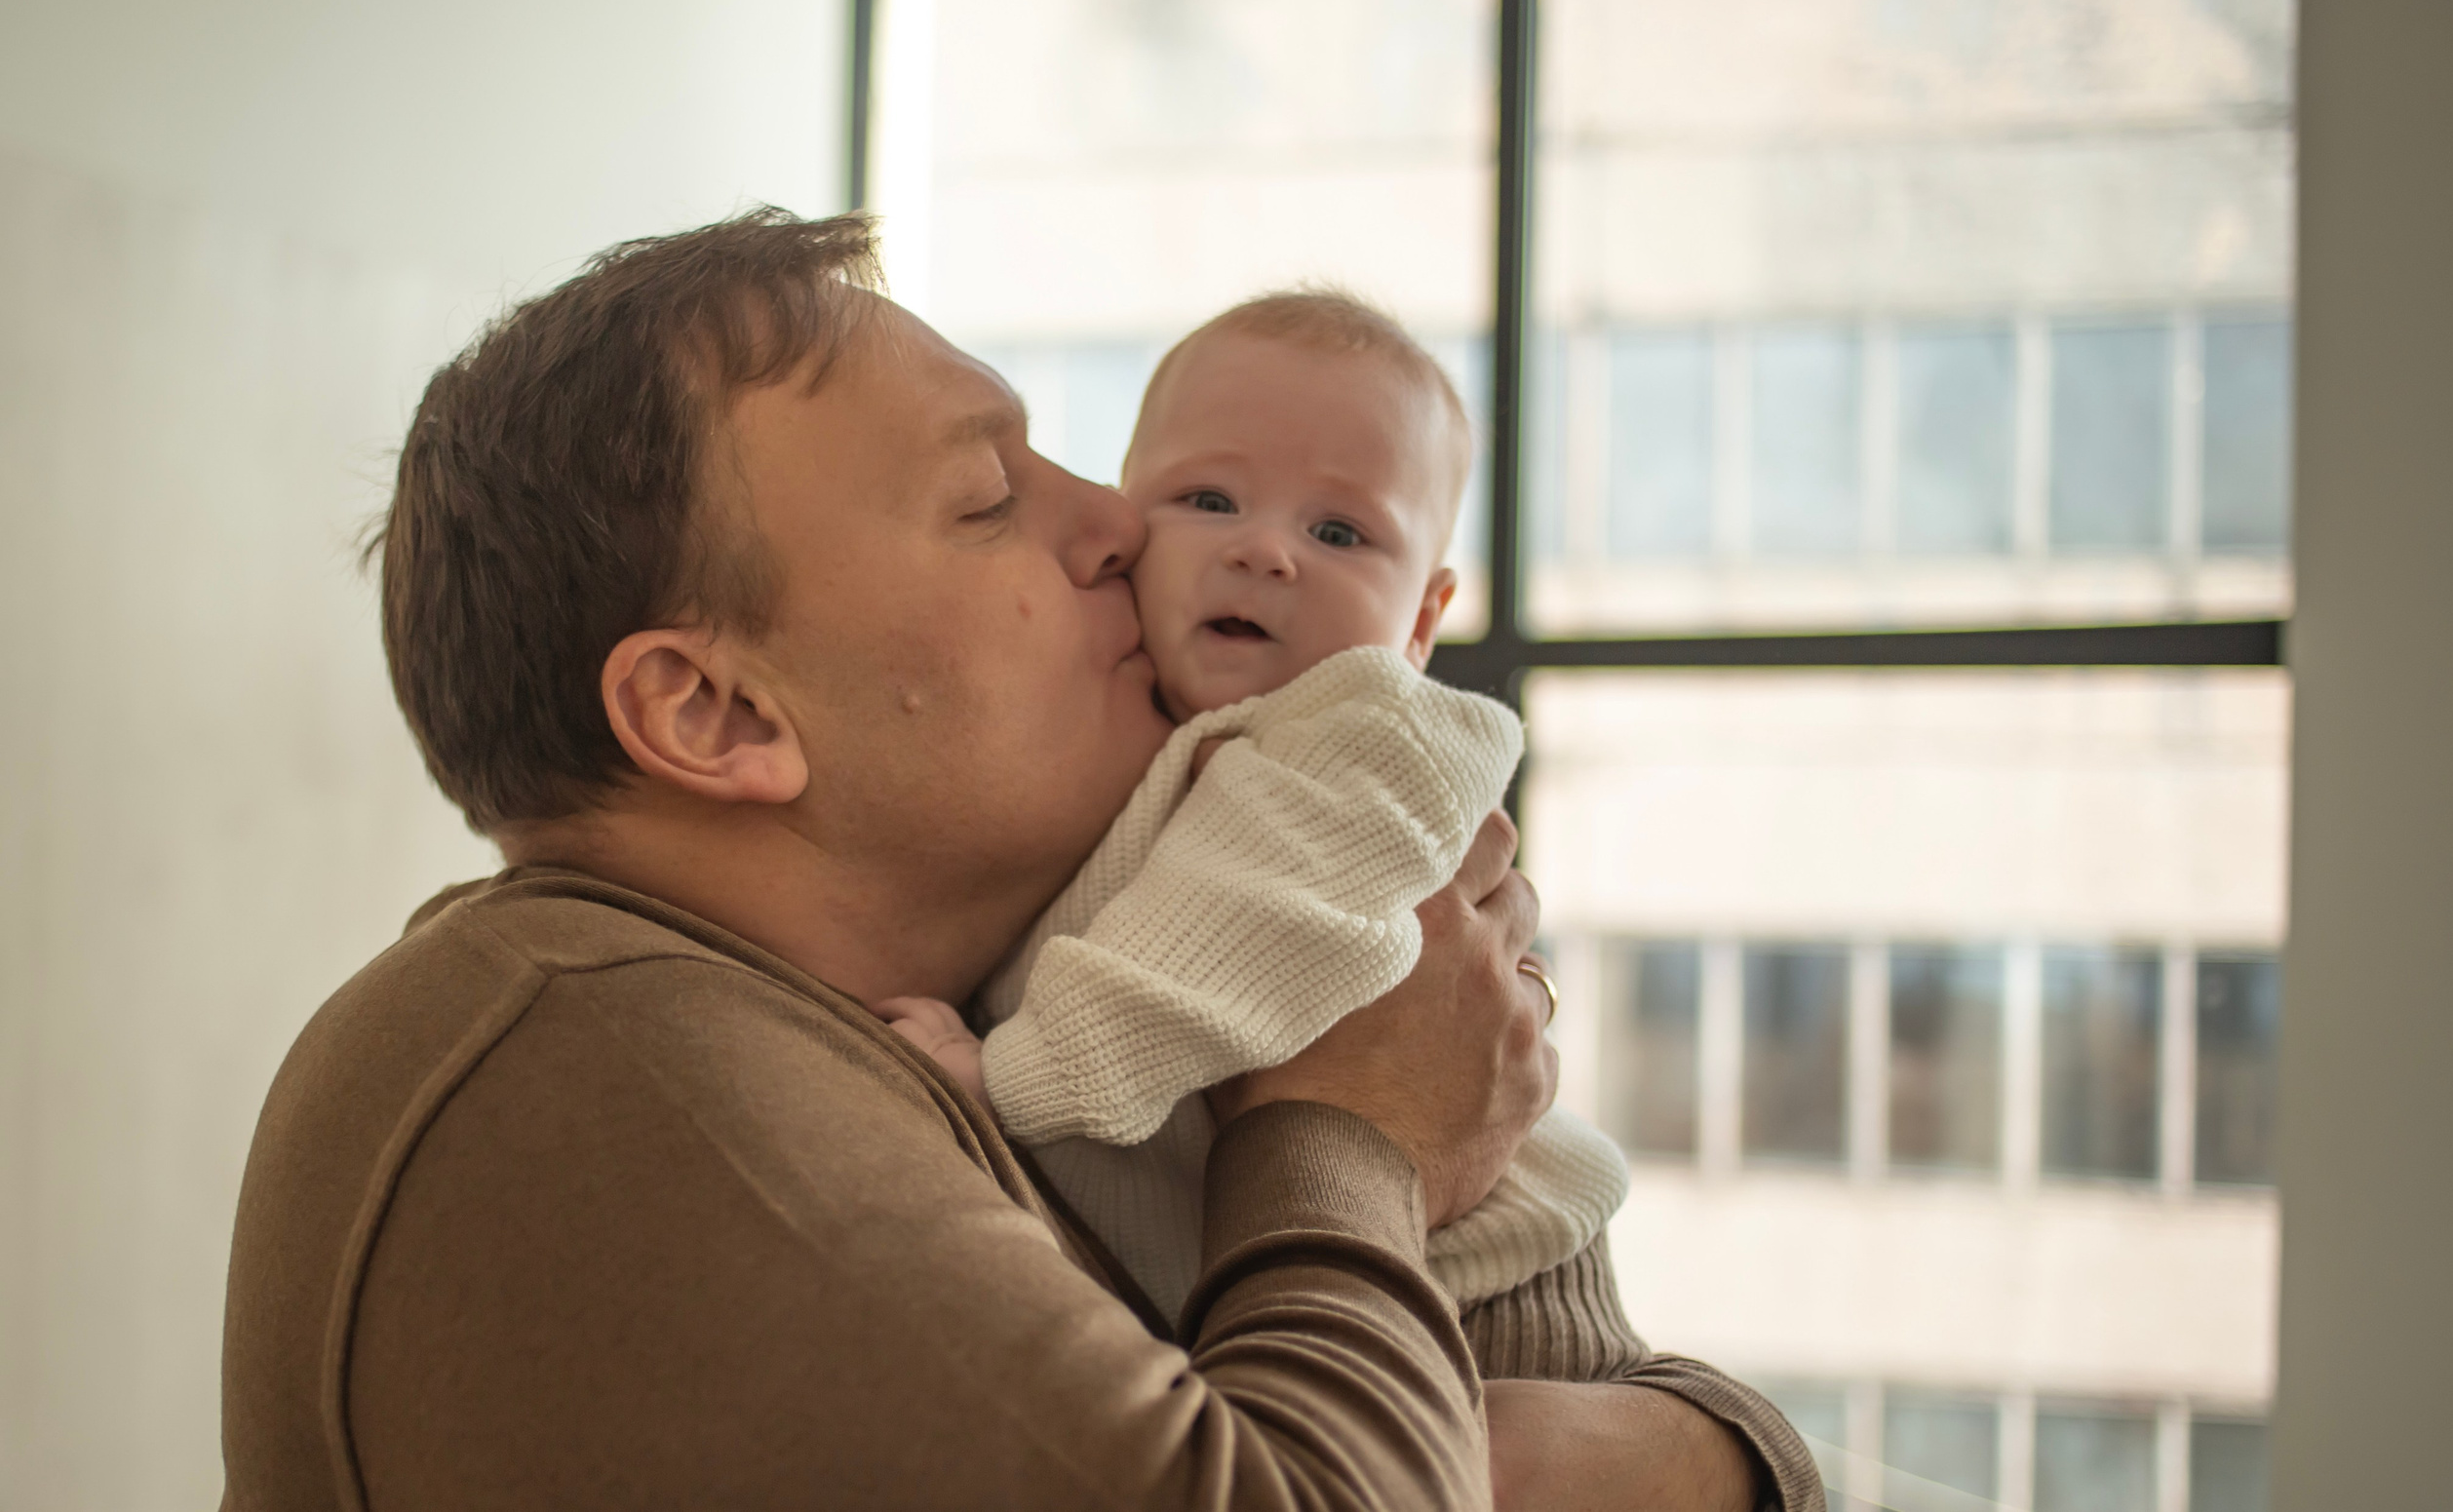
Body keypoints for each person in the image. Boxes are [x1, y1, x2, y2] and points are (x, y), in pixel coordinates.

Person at [218, 210, 1820, 1511]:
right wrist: (1352, 1124)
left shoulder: (853, 1032)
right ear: (716, 711)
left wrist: (1725, 1459)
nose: (1122, 523)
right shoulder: (624, 1082)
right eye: (988, 497)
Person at [874, 290, 1635, 1334]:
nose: (1266, 551)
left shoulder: (1366, 730)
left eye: (1339, 531)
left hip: (1489, 1278)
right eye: (1209, 501)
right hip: (1298, 1269)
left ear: (1421, 620)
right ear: (1125, 527)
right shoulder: (1134, 730)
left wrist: (1006, 1081)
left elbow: (1236, 928)